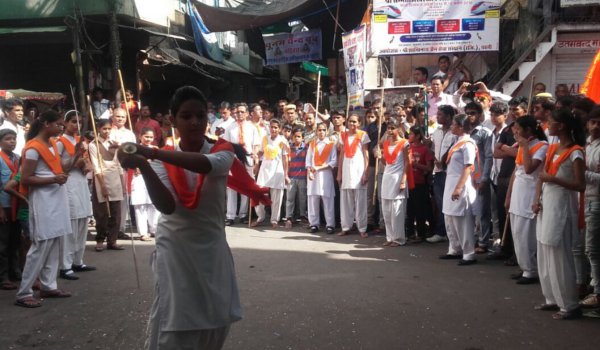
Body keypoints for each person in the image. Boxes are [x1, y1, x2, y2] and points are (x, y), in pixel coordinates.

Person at [117, 86, 268, 350]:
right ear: (172, 120)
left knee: (216, 320)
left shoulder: (221, 150)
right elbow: (167, 206)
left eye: (200, 115)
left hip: (211, 246)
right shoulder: (159, 161)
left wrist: (151, 152)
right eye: (186, 116)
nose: (195, 122)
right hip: (176, 248)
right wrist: (142, 163)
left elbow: (207, 165)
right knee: (174, 321)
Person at [15, 110, 73, 308]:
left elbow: (58, 169)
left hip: (56, 198)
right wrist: (53, 179)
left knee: (55, 242)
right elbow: (26, 179)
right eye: (58, 124)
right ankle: (24, 292)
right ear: (46, 124)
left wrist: (77, 156)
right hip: (43, 201)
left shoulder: (51, 145)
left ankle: (48, 285)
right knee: (40, 245)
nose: (61, 128)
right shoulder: (33, 148)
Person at [533, 108, 586, 320]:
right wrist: (536, 200)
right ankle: (552, 298)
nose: (547, 124)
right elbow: (541, 178)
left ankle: (570, 305)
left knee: (559, 254)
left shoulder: (575, 152)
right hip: (547, 203)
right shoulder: (553, 148)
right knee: (545, 250)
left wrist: (553, 180)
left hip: (562, 205)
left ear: (561, 126)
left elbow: (580, 185)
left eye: (551, 121)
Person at [505, 116, 548, 284]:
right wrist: (508, 196)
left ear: (529, 130)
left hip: (530, 193)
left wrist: (523, 147)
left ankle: (531, 270)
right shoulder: (522, 146)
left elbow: (530, 169)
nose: (515, 132)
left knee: (526, 234)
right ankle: (524, 267)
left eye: (518, 129)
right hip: (517, 193)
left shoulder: (542, 146)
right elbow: (516, 172)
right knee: (517, 233)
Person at [56, 113, 95, 280]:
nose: (76, 125)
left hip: (81, 182)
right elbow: (58, 166)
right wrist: (75, 160)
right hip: (69, 183)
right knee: (71, 225)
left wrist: (86, 164)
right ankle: (65, 266)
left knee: (82, 223)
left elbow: (87, 162)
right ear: (65, 123)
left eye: (80, 122)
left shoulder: (80, 141)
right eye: (73, 122)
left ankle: (77, 261)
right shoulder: (60, 142)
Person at [440, 114, 478, 265]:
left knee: (462, 220)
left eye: (454, 124)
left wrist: (458, 188)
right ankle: (454, 248)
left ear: (461, 127)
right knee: (450, 217)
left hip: (460, 184)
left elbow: (468, 167)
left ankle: (469, 253)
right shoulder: (457, 141)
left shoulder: (467, 143)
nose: (451, 126)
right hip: (450, 182)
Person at [89, 119, 125, 252]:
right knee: (102, 213)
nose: (107, 131)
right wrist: (102, 185)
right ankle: (100, 240)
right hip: (101, 179)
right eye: (104, 128)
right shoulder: (93, 145)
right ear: (98, 129)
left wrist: (122, 181)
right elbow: (96, 166)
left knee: (116, 212)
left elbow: (119, 164)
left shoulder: (114, 144)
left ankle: (113, 240)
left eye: (109, 128)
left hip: (115, 178)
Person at [223, 103, 260, 225]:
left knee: (245, 186)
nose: (239, 114)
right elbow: (226, 145)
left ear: (247, 113)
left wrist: (255, 155)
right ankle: (230, 215)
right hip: (233, 159)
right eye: (237, 111)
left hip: (248, 158)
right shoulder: (230, 127)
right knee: (232, 187)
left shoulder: (252, 127)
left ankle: (243, 214)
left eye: (242, 112)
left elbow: (256, 144)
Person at [464, 102, 493, 253]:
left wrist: (484, 178)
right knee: (469, 210)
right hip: (466, 176)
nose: (470, 116)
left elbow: (488, 156)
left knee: (482, 210)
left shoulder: (485, 133)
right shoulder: (463, 132)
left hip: (479, 176)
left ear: (480, 115)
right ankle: (471, 238)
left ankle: (483, 242)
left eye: (473, 113)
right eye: (467, 113)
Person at [379, 118, 411, 246]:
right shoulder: (386, 143)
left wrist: (403, 180)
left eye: (393, 128)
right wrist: (380, 156)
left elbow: (407, 162)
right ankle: (390, 237)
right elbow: (385, 162)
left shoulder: (405, 143)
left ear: (399, 129)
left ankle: (399, 238)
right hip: (387, 177)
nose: (390, 131)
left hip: (398, 178)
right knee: (386, 210)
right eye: (388, 128)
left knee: (396, 209)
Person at [337, 114, 370, 237]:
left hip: (358, 170)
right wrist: (339, 173)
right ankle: (346, 227)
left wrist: (365, 173)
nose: (352, 124)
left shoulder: (363, 135)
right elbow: (341, 156)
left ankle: (362, 228)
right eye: (350, 121)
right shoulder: (343, 135)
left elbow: (366, 154)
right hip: (346, 171)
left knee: (360, 202)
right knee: (345, 202)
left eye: (354, 122)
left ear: (359, 123)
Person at [427, 105, 457, 243]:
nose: (437, 117)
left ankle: (452, 233)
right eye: (437, 114)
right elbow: (433, 150)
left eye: (440, 115)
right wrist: (435, 160)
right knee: (440, 203)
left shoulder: (455, 133)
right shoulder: (437, 132)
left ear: (449, 117)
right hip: (438, 172)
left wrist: (444, 162)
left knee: (450, 203)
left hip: (450, 173)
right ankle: (441, 232)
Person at [253, 119, 289, 228]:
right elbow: (261, 153)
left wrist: (286, 174)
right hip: (265, 169)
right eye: (272, 127)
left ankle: (274, 220)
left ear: (279, 129)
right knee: (259, 193)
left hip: (278, 170)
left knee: (277, 196)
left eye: (275, 127)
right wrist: (256, 158)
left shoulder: (283, 141)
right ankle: (260, 217)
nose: (273, 129)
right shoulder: (265, 139)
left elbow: (285, 158)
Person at [581, 107, 600, 309]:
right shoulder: (588, 144)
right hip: (587, 198)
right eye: (593, 122)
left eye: (599, 123)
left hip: (596, 200)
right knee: (588, 249)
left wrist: (583, 172)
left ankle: (597, 293)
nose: (595, 127)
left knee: (593, 250)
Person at [306, 123, 337, 234]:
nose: (321, 132)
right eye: (319, 130)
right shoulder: (312, 144)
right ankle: (314, 224)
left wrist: (319, 167)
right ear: (316, 131)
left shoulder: (331, 144)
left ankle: (330, 225)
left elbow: (333, 161)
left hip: (325, 175)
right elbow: (308, 161)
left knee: (327, 200)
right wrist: (310, 172)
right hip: (313, 175)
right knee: (313, 200)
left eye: (323, 130)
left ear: (327, 131)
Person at [0, 129, 21, 290]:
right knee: (3, 243)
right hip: (4, 205)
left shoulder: (18, 159)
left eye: (14, 139)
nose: (12, 142)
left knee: (15, 240)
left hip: (16, 204)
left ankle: (15, 271)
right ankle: (3, 276)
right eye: (8, 139)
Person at [131, 128, 160, 241]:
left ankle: (154, 229)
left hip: (153, 177)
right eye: (146, 136)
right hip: (139, 178)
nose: (148, 139)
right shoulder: (134, 149)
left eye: (151, 137)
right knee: (141, 206)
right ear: (140, 136)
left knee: (154, 204)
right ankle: (143, 232)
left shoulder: (155, 150)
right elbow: (130, 163)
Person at [406, 126, 433, 242]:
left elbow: (429, 167)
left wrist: (415, 165)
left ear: (417, 136)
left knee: (420, 209)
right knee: (409, 209)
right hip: (408, 182)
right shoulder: (407, 147)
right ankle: (410, 232)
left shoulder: (425, 149)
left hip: (420, 183)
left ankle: (421, 234)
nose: (409, 136)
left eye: (411, 134)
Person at [285, 128, 308, 228]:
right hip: (291, 177)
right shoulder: (289, 148)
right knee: (290, 198)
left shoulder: (306, 148)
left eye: (299, 137)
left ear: (302, 138)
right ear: (292, 137)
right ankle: (289, 217)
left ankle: (302, 216)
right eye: (295, 136)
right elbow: (286, 163)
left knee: (302, 198)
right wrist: (286, 175)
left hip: (302, 177)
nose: (297, 138)